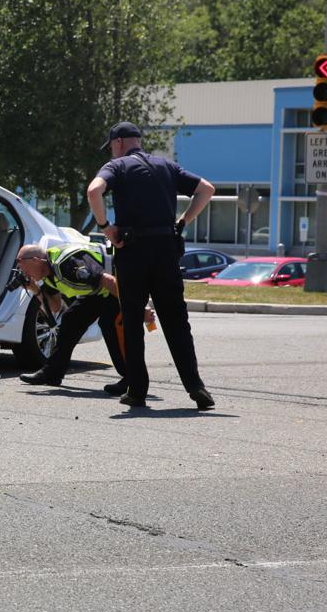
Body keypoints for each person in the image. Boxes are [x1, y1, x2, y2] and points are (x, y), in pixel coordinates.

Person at [86, 122, 216, 410]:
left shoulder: (117, 166)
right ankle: (196, 386)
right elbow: (206, 189)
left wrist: (106, 227)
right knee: (176, 320)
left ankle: (137, 390)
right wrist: (182, 222)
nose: (111, 151)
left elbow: (94, 191)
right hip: (166, 250)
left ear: (118, 143)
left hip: (132, 251)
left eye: (110, 147)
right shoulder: (167, 166)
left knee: (132, 320)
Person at [15, 242, 129, 393]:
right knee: (70, 320)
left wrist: (139, 307)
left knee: (109, 324)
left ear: (35, 260)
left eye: (22, 266)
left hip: (118, 282)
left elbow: (107, 280)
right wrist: (34, 289)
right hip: (99, 292)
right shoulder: (48, 273)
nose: (23, 273)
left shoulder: (68, 264)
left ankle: (131, 378)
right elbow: (55, 307)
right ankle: (52, 373)